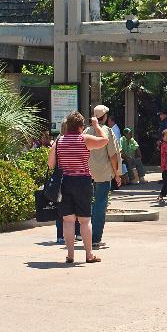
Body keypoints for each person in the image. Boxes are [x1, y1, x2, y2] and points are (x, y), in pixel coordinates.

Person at [48, 112, 109, 264]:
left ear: (67, 125)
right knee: (85, 221)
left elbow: (50, 163)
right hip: (82, 182)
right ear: (81, 126)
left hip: (65, 182)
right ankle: (89, 255)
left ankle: (70, 255)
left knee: (68, 221)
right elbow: (104, 140)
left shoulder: (59, 140)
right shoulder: (84, 139)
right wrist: (96, 126)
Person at [85, 104, 122, 249]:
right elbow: (113, 155)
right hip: (103, 173)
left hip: (88, 173)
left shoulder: (87, 130)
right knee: (100, 205)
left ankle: (84, 234)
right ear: (105, 117)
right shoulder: (107, 131)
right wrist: (117, 174)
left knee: (88, 204)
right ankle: (95, 238)